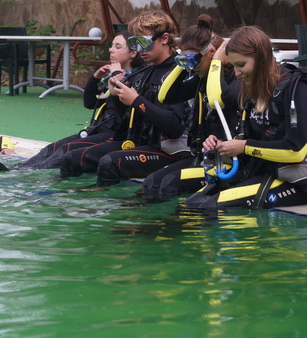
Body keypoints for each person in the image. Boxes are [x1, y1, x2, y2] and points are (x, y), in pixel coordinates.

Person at [183, 25, 307, 210]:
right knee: (192, 204)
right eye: (234, 65)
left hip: (299, 178)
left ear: (261, 59)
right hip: (269, 169)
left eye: (241, 65)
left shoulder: (297, 88)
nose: (236, 73)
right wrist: (222, 145)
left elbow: (295, 150)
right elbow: (252, 139)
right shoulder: (252, 90)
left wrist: (243, 147)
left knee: (212, 207)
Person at [59, 10, 187, 185]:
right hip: (140, 143)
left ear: (164, 39)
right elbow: (127, 120)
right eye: (135, 43)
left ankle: (111, 202)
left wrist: (136, 101)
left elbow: (175, 126)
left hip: (168, 151)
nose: (139, 49)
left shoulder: (180, 72)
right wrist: (115, 95)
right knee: (73, 157)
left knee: (110, 163)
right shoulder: (145, 73)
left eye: (144, 42)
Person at [140, 15, 234, 201]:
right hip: (202, 156)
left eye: (192, 60)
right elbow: (165, 96)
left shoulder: (232, 79)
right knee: (151, 183)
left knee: (170, 184)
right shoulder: (200, 79)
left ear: (211, 52)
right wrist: (182, 64)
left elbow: (216, 99)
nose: (190, 66)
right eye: (183, 59)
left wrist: (216, 62)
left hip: (228, 161)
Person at [19, 32, 143, 170]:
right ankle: (18, 169)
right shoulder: (114, 76)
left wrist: (117, 79)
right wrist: (95, 78)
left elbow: (128, 115)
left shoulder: (138, 79)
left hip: (115, 134)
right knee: (52, 148)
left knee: (66, 151)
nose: (111, 50)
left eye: (117, 47)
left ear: (133, 53)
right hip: (99, 129)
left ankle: (31, 175)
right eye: (111, 46)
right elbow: (90, 103)